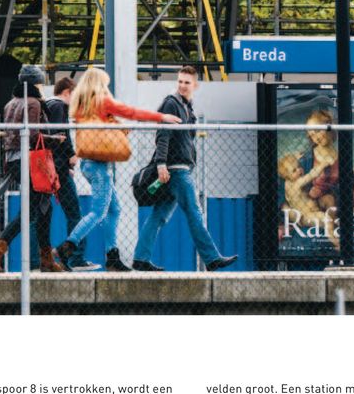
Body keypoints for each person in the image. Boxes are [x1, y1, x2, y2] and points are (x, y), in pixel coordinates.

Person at [54, 67, 176, 272]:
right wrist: (161, 117)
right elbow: (131, 112)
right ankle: (67, 247)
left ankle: (112, 257)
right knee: (98, 212)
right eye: (105, 84)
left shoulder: (82, 105)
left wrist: (116, 127)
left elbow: (102, 130)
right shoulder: (101, 101)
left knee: (114, 209)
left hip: (89, 164)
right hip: (99, 165)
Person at [133, 65, 238, 271]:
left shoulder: (187, 108)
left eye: (186, 82)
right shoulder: (171, 103)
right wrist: (162, 164)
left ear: (195, 85)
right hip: (176, 169)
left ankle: (140, 259)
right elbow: (163, 135)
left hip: (178, 169)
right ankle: (211, 259)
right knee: (194, 212)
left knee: (158, 216)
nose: (182, 85)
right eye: (180, 81)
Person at [0, 65, 67, 274]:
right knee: (31, 208)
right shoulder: (34, 103)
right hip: (30, 160)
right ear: (35, 83)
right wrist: (55, 139)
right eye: (40, 81)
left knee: (44, 208)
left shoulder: (11, 103)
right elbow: (33, 135)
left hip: (13, 160)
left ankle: (46, 260)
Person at [43, 75, 99, 270]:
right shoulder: (59, 106)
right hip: (58, 169)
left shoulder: (48, 106)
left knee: (40, 214)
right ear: (67, 93)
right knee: (75, 213)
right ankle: (75, 258)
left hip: (52, 167)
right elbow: (60, 136)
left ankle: (46, 259)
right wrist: (70, 156)